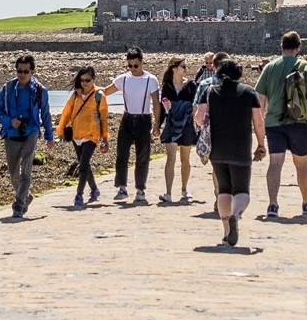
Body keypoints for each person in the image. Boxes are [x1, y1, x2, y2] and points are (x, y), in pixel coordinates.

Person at [195, 58, 266, 247]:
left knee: (224, 190)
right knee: (242, 190)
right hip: (240, 147)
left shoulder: (210, 91)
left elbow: (199, 118)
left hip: (217, 148)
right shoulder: (249, 92)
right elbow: (258, 122)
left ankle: (227, 232)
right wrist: (261, 144)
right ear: (239, 74)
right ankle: (236, 215)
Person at [255, 31, 307, 219]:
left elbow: (260, 99)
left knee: (275, 163)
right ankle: (306, 202)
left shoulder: (270, 67)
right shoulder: (304, 65)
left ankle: (273, 205)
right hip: (299, 121)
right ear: (299, 47)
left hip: (274, 123)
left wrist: (260, 123)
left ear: (281, 46)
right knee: (301, 164)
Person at [0, 54, 53, 219]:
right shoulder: (8, 88)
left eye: (26, 71)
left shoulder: (40, 90)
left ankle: (18, 206)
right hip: (11, 133)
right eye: (19, 71)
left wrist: (49, 135)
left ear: (32, 71)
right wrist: (9, 121)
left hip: (31, 132)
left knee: (26, 170)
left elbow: (45, 114)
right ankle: (26, 196)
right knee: (14, 173)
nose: (22, 74)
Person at [106, 48, 161, 203]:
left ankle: (140, 190)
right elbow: (105, 92)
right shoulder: (123, 79)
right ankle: (122, 188)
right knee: (121, 154)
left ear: (142, 62)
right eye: (129, 66)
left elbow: (156, 103)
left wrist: (157, 124)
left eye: (135, 66)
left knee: (142, 156)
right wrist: (88, 93)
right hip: (127, 119)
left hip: (144, 119)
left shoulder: (151, 80)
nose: (132, 69)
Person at [53, 65, 109, 207]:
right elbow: (66, 112)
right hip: (76, 135)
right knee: (85, 165)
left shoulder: (99, 96)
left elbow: (103, 119)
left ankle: (79, 195)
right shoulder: (75, 95)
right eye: (82, 80)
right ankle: (95, 189)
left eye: (88, 80)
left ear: (93, 79)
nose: (84, 83)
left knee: (83, 165)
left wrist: (105, 139)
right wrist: (60, 130)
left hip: (91, 135)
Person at [157, 58, 198, 203]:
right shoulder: (167, 86)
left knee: (185, 159)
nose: (185, 68)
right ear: (174, 68)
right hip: (171, 125)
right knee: (171, 158)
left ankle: (184, 189)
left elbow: (196, 105)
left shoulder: (191, 85)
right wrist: (156, 126)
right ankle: (168, 193)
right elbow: (162, 109)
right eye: (183, 66)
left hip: (186, 125)